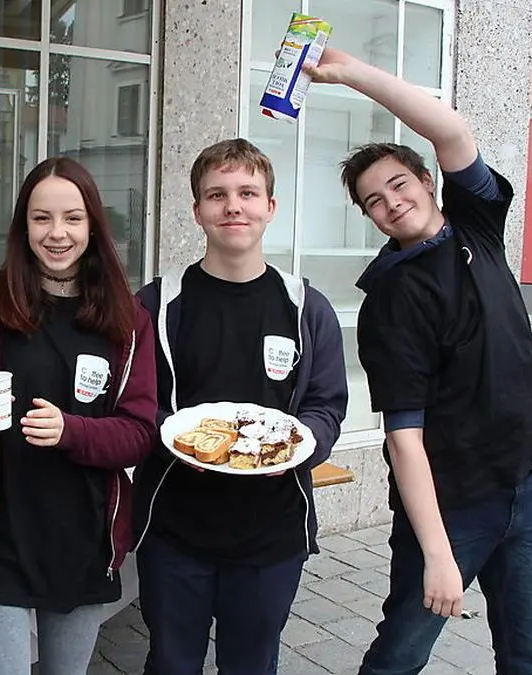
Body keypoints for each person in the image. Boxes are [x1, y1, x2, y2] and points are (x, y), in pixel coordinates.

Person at [306, 47, 532, 673]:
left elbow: (450, 130)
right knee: (400, 655)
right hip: (453, 506)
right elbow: (404, 439)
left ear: (428, 181)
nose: (392, 202)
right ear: (369, 218)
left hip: (525, 488)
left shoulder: (476, 229)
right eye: (374, 200)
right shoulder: (391, 300)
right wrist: (436, 552)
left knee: (530, 655)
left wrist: (350, 73)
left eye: (399, 183)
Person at [131, 138, 349, 674]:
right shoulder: (157, 304)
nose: (233, 206)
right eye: (217, 194)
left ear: (270, 207)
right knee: (171, 663)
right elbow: (137, 405)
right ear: (197, 210)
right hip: (174, 528)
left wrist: (299, 446)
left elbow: (326, 405)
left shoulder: (305, 307)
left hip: (273, 533)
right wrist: (172, 434)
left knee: (252, 665)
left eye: (248, 192)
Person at [0, 156, 158, 675]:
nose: (57, 233)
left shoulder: (127, 321)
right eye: (42, 218)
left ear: (93, 227)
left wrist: (71, 431)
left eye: (72, 218)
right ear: (23, 226)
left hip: (82, 539)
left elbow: (139, 434)